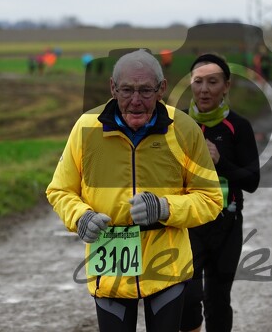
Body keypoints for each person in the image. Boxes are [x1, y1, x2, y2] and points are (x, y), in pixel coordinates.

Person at [46, 49, 223, 332]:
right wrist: (81, 217)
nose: (136, 101)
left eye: (145, 91)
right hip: (110, 265)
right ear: (113, 89)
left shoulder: (185, 130)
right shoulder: (86, 128)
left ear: (162, 89)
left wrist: (164, 208)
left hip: (167, 266)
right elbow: (60, 190)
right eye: (127, 90)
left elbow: (211, 198)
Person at [180, 53, 260, 332]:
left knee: (217, 300)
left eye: (212, 82)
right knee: (187, 299)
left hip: (226, 224)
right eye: (198, 82)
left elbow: (252, 181)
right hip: (188, 225)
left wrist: (219, 161)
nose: (204, 89)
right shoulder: (176, 125)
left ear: (226, 86)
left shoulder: (238, 127)